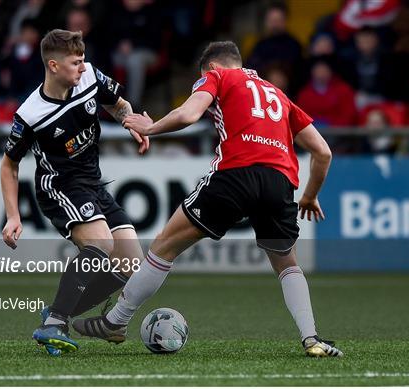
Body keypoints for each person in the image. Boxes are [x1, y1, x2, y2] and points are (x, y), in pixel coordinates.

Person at [73, 41, 344, 358]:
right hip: (280, 181)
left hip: (235, 175)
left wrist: (152, 126)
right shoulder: (278, 94)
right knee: (287, 264)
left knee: (164, 245)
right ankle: (311, 339)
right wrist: (309, 196)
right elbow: (323, 151)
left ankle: (115, 321)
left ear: (212, 68)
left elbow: (189, 114)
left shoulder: (218, 77)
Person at [0, 29, 149, 356]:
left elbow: (119, 104)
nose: (82, 68)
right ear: (53, 66)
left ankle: (57, 315)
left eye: (83, 61)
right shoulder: (31, 114)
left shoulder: (91, 77)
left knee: (131, 265)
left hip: (93, 183)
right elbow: (9, 165)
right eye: (75, 62)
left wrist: (133, 122)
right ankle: (54, 322)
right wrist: (13, 215)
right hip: (59, 187)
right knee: (100, 244)